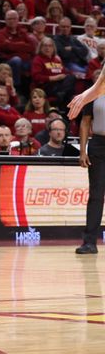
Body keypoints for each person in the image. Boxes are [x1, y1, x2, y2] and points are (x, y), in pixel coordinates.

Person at [75, 94, 105, 253]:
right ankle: (89, 242)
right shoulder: (93, 94)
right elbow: (85, 122)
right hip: (99, 145)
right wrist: (82, 151)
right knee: (96, 195)